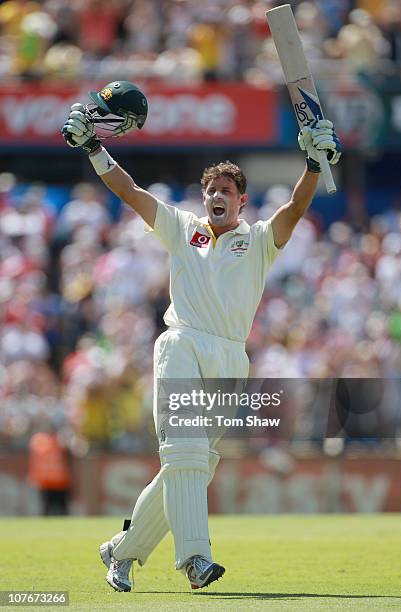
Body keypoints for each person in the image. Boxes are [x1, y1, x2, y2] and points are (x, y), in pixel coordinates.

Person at [62, 82, 341, 592]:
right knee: (186, 455)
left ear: (241, 201)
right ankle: (195, 560)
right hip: (183, 344)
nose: (215, 198)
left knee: (189, 468)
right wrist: (95, 149)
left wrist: (313, 165)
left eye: (225, 193)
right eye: (210, 191)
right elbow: (130, 191)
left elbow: (296, 210)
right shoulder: (181, 228)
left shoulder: (258, 240)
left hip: (231, 358)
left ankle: (121, 553)